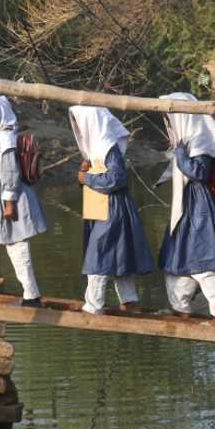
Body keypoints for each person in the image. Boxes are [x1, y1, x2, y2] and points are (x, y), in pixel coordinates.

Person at [157, 92, 215, 326]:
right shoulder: (188, 142)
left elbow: (199, 172)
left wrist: (180, 154)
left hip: (200, 208)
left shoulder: (200, 141)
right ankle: (180, 308)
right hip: (186, 209)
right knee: (177, 261)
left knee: (203, 263)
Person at [70, 105, 154, 314]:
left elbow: (117, 179)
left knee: (98, 254)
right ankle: (130, 300)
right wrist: (84, 174)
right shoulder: (97, 150)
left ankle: (94, 305)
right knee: (119, 253)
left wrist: (86, 178)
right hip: (102, 207)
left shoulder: (108, 148)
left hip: (112, 208)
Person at [0, 93, 47, 307]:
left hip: (11, 197)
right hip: (0, 197)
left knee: (17, 245)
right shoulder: (2, 136)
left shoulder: (4, 139)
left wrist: (10, 202)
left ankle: (31, 295)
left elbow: (10, 172)